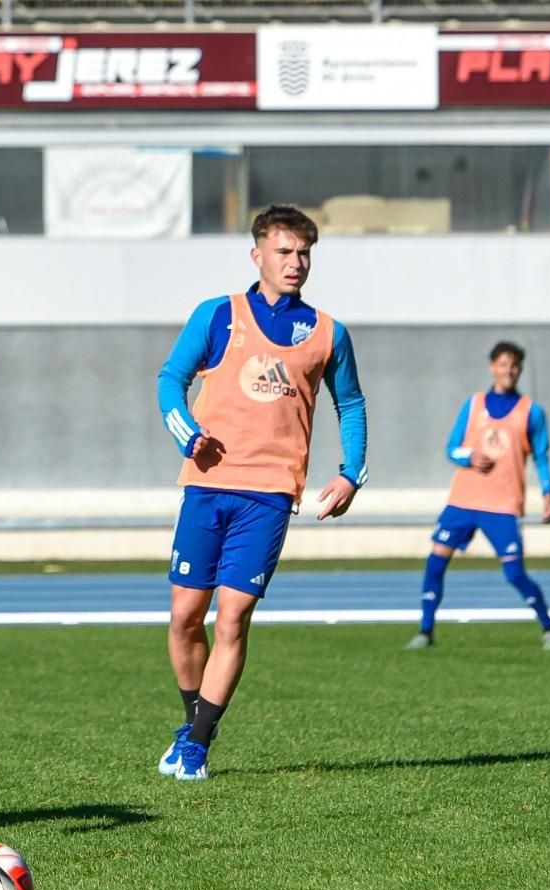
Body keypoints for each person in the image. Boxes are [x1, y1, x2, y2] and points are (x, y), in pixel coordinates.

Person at [154, 205, 369, 781]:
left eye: (304, 254)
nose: (295, 263)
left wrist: (353, 471)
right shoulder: (218, 314)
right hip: (206, 486)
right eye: (284, 252)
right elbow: (170, 378)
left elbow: (350, 403)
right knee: (183, 617)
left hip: (270, 492)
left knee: (233, 617)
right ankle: (191, 721)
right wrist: (184, 430)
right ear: (258, 256)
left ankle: (198, 743)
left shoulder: (328, 332)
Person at [405, 342, 550, 651]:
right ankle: (425, 631)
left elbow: (541, 457)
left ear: (520, 370)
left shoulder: (532, 412)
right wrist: (469, 456)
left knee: (514, 573)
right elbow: (452, 448)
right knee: (435, 564)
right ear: (493, 367)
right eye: (504, 364)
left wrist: (548, 495)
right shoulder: (474, 404)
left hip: (502, 504)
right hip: (463, 501)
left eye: (515, 365)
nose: (509, 370)